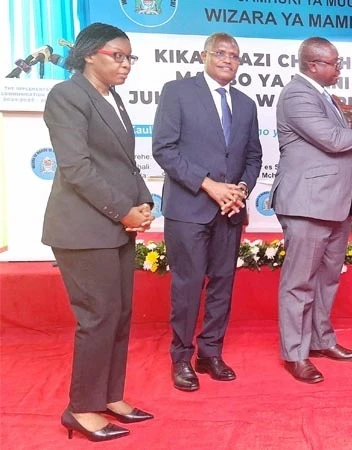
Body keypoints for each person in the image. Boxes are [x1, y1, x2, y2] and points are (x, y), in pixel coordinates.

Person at [43, 22, 154, 442]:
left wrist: (144, 202)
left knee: (120, 314)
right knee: (98, 317)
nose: (125, 64)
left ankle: (109, 395)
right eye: (117, 56)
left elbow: (124, 162)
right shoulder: (67, 96)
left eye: (129, 58)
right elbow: (76, 169)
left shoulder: (113, 98)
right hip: (83, 229)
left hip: (115, 227)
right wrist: (122, 211)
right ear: (90, 54)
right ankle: (81, 408)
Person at [270, 37, 352, 383]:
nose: (339, 69)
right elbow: (332, 140)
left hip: (335, 204)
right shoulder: (297, 95)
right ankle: (295, 353)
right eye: (334, 63)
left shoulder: (325, 97)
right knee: (299, 283)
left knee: (327, 279)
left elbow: (345, 148)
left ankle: (321, 340)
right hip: (308, 204)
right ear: (313, 65)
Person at [152, 32, 263, 391]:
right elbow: (164, 150)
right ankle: (181, 358)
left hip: (229, 211)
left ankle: (210, 352)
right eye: (221, 53)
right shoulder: (177, 92)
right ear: (203, 56)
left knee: (223, 284)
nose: (228, 60)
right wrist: (210, 186)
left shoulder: (246, 104)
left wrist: (240, 190)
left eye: (235, 55)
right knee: (187, 287)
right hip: (189, 208)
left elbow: (253, 156)